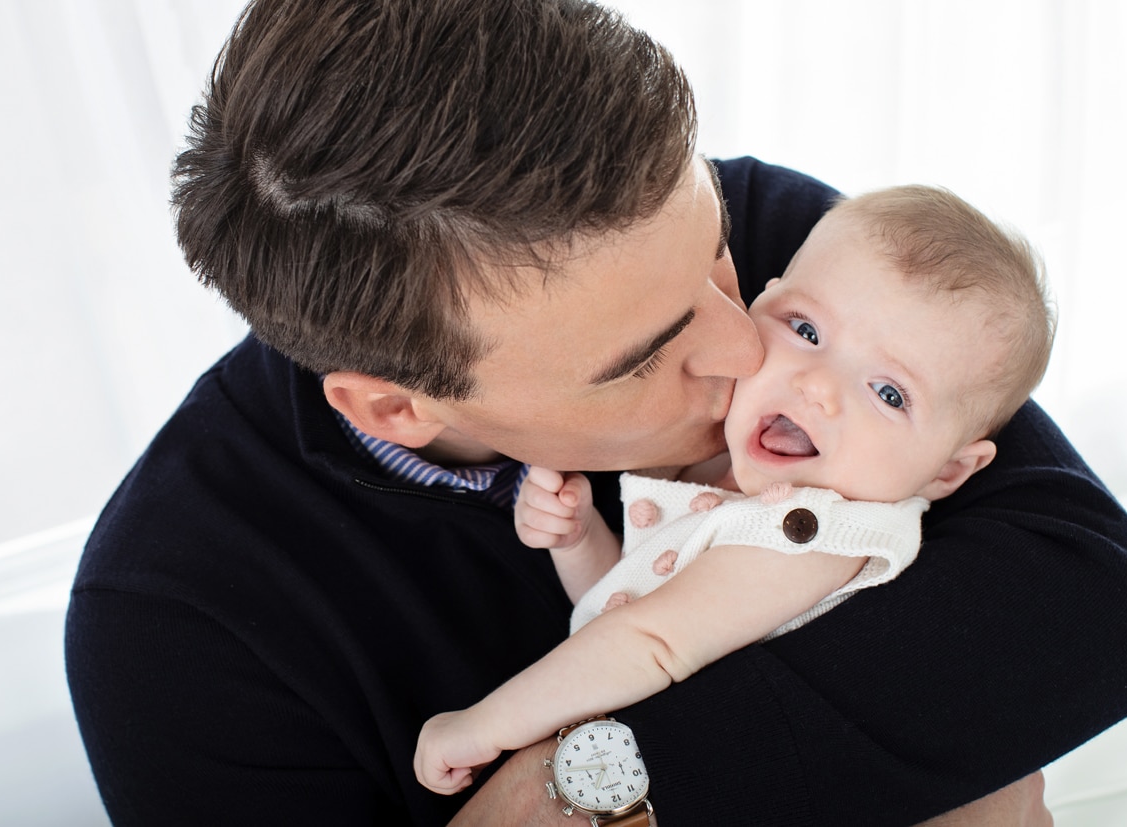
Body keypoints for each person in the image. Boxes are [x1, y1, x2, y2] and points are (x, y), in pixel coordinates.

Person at [63, 1, 1127, 825]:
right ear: (395, 407)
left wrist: (581, 782)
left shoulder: (782, 258)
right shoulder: (172, 623)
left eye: (718, 262)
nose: (751, 347)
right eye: (647, 354)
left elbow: (1099, 612)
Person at [413, 183, 1054, 795]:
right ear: (761, 301)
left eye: (889, 393)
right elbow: (624, 609)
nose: (817, 387)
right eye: (805, 331)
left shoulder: (818, 536)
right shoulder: (723, 474)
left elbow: (652, 646)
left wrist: (485, 725)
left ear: (947, 471)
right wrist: (580, 541)